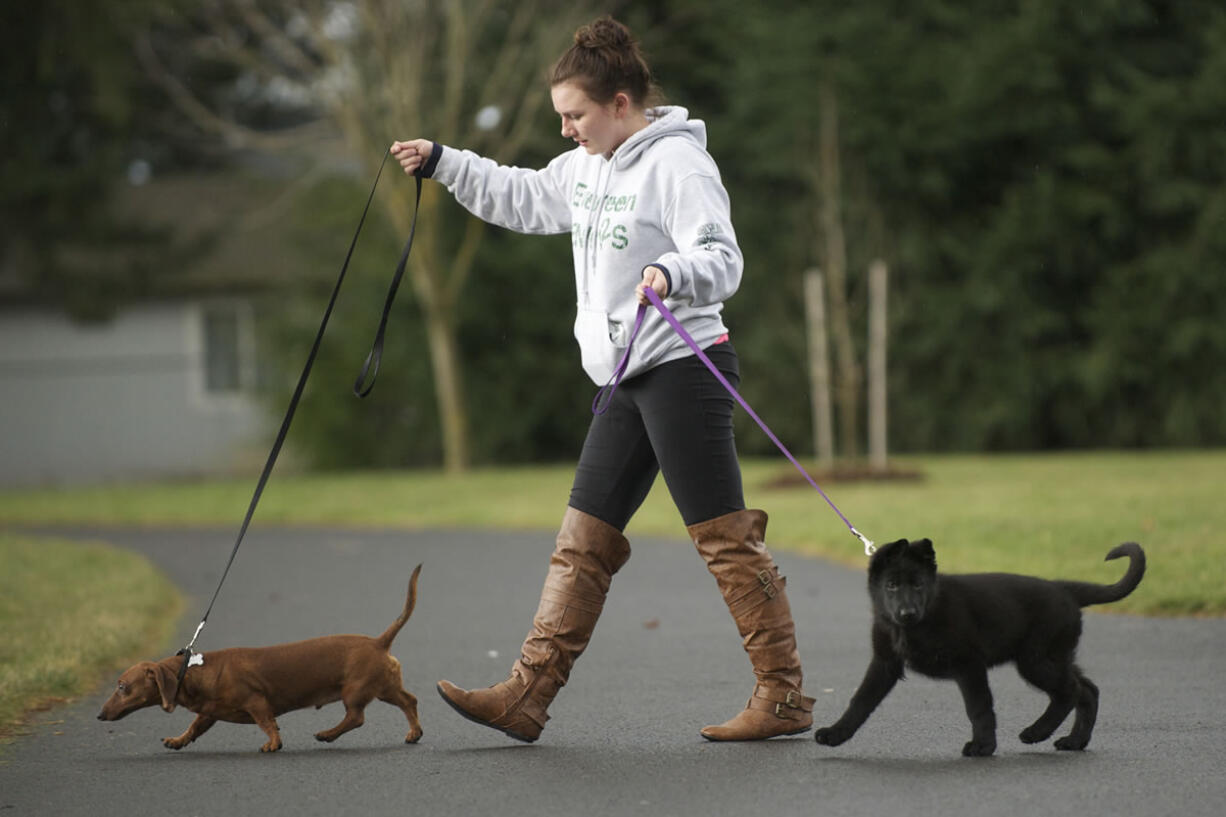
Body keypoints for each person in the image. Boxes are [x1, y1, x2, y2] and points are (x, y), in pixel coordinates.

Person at [390, 16, 814, 742]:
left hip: (685, 368)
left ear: (622, 103)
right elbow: (520, 194)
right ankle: (526, 695)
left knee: (725, 539)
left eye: (575, 115)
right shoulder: (585, 167)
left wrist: (673, 270)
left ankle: (784, 695)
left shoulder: (678, 165)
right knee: (581, 540)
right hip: (625, 379)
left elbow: (722, 256)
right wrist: (443, 161)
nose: (566, 131)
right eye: (561, 117)